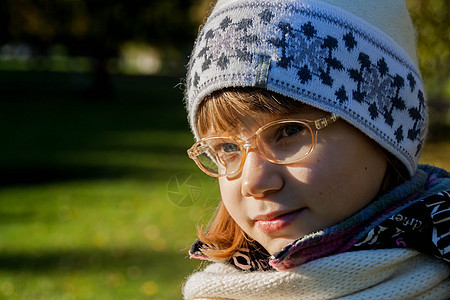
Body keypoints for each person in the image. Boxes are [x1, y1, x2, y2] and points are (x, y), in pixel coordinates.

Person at [182, 0, 450, 298]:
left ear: (383, 132)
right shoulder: (219, 291)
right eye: (228, 147)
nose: (253, 183)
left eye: (289, 131)